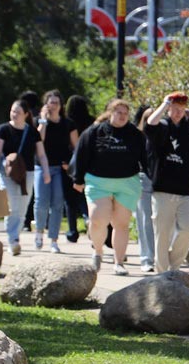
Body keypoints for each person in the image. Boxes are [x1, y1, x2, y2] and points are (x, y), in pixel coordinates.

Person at [72, 99, 148, 275]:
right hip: (98, 182)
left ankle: (119, 262)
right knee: (98, 219)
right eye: (118, 112)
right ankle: (98, 252)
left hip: (127, 182)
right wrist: (78, 179)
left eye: (125, 113)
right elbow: (81, 155)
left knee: (121, 224)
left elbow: (145, 158)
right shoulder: (94, 132)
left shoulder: (135, 135)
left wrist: (153, 177)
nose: (122, 116)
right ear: (110, 113)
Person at [145, 92, 189, 272]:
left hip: (184, 190)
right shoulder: (161, 127)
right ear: (169, 109)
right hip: (162, 189)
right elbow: (150, 123)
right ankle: (161, 273)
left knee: (188, 228)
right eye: (175, 109)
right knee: (162, 234)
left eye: (181, 110)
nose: (178, 113)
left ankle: (174, 267)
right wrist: (164, 104)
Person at [0, 99, 50, 256]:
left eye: (18, 112)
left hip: (27, 173)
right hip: (6, 173)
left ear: (26, 115)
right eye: (12, 111)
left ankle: (15, 237)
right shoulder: (3, 129)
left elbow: (41, 154)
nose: (14, 114)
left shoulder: (32, 132)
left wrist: (46, 171)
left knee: (22, 207)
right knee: (10, 205)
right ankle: (12, 239)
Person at [34, 91, 78, 254]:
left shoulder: (68, 123)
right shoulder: (39, 121)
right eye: (50, 103)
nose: (54, 106)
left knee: (58, 204)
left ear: (61, 105)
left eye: (56, 103)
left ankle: (53, 240)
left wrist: (72, 165)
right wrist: (44, 120)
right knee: (41, 202)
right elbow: (39, 140)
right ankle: (39, 232)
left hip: (61, 168)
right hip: (42, 166)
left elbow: (76, 146)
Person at [62, 95, 92, 243]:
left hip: (69, 164)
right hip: (89, 165)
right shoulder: (91, 122)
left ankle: (72, 231)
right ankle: (88, 219)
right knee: (84, 197)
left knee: (69, 200)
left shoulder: (67, 123)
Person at [134, 105, 158, 272]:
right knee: (145, 220)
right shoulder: (136, 137)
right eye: (147, 117)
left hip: (162, 181)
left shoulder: (163, 136)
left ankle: (161, 256)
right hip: (142, 179)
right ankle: (147, 258)